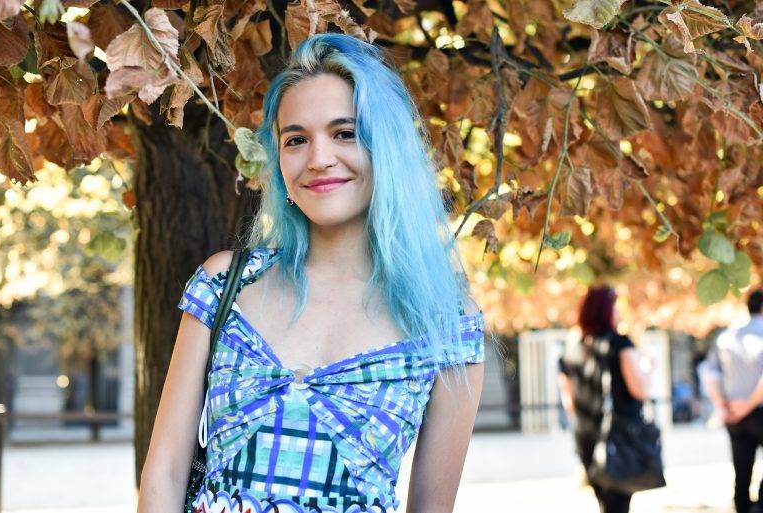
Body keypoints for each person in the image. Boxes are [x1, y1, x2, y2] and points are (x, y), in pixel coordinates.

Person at [136, 33, 486, 513]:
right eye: (296, 140)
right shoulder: (225, 285)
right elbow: (165, 474)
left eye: (345, 133)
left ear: (387, 144)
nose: (319, 159)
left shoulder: (446, 321)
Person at [558, 285, 649, 513]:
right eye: (615, 308)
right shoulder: (620, 345)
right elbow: (641, 390)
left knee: (604, 502)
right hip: (620, 437)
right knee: (618, 504)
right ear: (607, 311)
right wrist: (651, 367)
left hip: (586, 436)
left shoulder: (571, 351)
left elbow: (568, 402)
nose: (619, 313)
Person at [699, 289, 763, 513]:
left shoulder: (726, 337)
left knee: (741, 471)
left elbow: (709, 374)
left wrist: (722, 405)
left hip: (733, 414)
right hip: (756, 409)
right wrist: (749, 404)